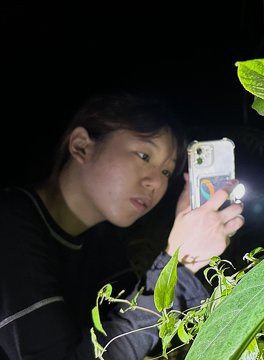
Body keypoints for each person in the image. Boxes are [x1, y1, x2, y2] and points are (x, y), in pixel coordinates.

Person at [0, 92, 245, 359]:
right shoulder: (10, 222)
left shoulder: (103, 249)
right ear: (82, 146)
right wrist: (180, 264)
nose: (156, 182)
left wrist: (192, 259)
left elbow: (147, 337)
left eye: (166, 171)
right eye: (143, 155)